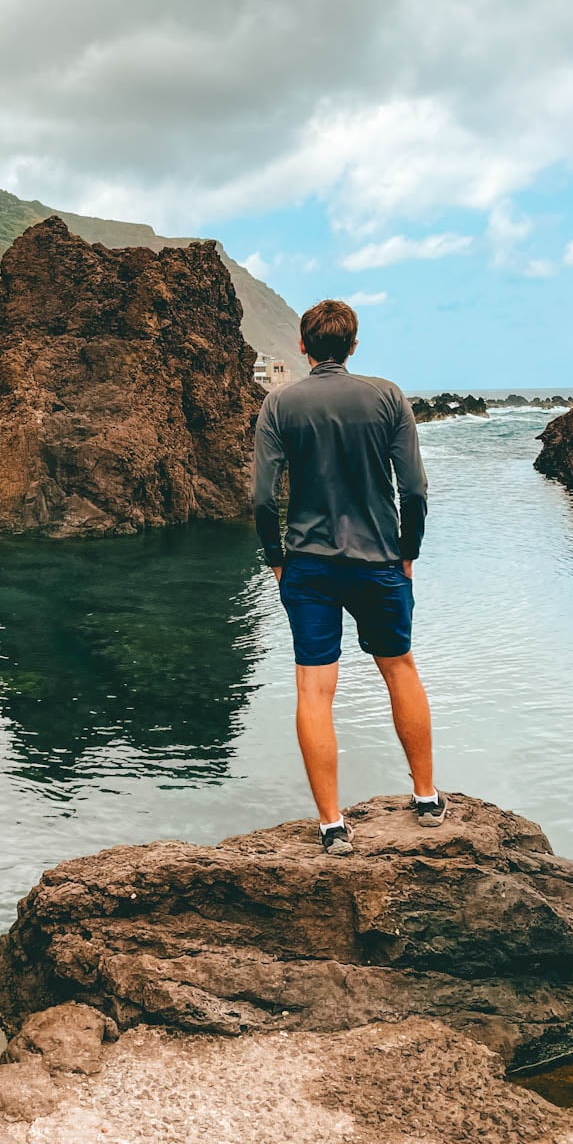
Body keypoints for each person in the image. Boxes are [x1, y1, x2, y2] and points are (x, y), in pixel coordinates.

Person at [253, 298, 444, 855]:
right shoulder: (386, 397)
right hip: (379, 561)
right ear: (354, 345)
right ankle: (427, 799)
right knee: (399, 668)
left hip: (308, 564)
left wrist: (275, 555)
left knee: (314, 687)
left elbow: (263, 497)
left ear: (305, 348)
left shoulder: (279, 405)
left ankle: (332, 825)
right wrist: (408, 550)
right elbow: (413, 489)